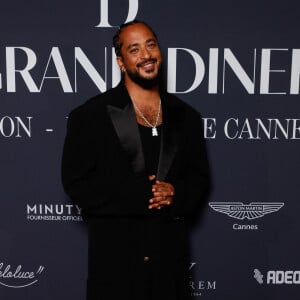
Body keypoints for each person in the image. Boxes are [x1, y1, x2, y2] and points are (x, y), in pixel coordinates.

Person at [62, 20, 210, 300]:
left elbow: (200, 180)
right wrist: (134, 195)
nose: (146, 55)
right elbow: (76, 184)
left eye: (151, 44)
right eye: (134, 49)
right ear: (121, 61)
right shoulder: (90, 116)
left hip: (170, 272)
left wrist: (175, 194)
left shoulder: (187, 117)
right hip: (116, 270)